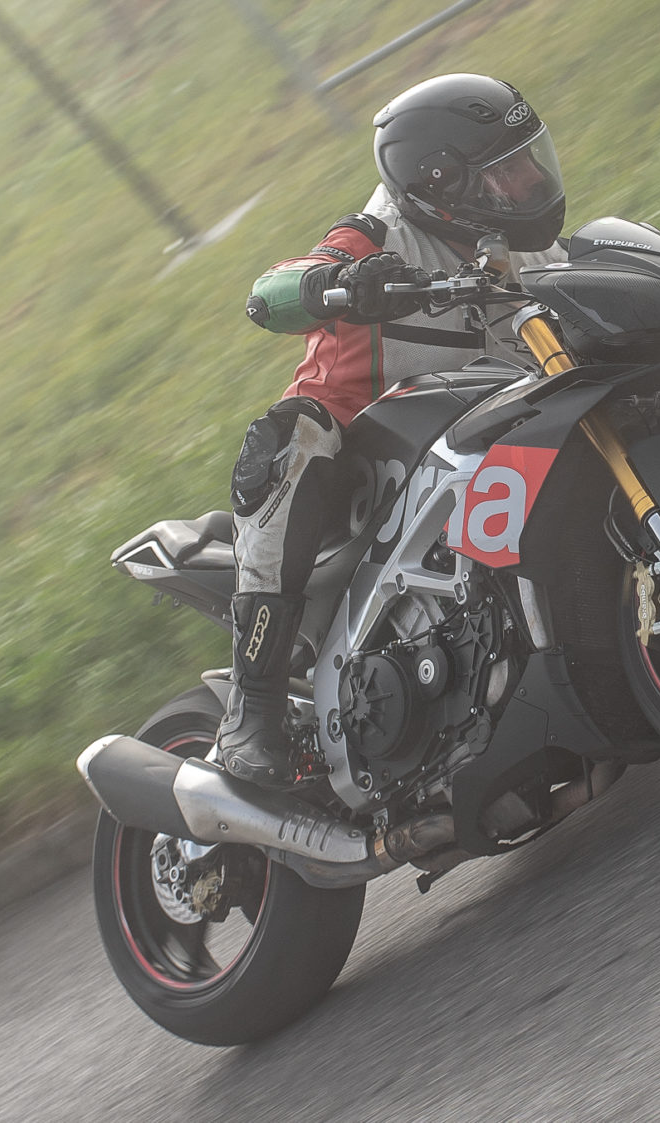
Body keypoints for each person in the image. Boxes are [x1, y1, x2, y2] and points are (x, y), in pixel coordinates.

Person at [217, 73, 568, 786]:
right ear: (442, 185)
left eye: (530, 159)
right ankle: (249, 710)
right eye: (506, 171)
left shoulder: (520, 249)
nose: (531, 181)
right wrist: (337, 284)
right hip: (359, 469)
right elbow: (268, 294)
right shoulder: (380, 237)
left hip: (464, 446)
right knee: (292, 438)